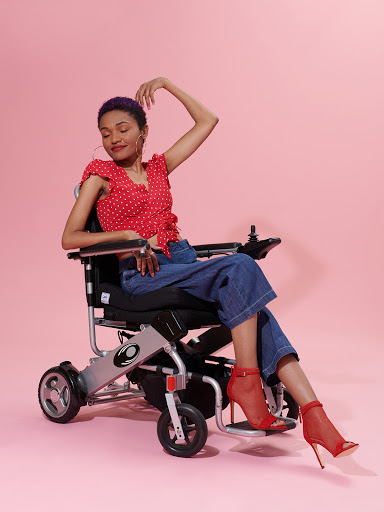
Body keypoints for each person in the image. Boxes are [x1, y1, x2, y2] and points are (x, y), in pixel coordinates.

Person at [62, 77, 358, 468]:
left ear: (143, 131)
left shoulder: (158, 168)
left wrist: (166, 84)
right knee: (240, 265)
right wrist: (131, 237)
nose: (113, 138)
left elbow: (208, 120)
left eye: (122, 128)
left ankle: (315, 416)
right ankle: (247, 381)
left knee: (255, 311)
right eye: (105, 132)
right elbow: (70, 237)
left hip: (181, 261)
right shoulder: (99, 175)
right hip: (142, 273)